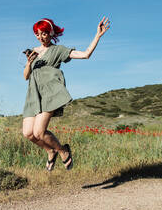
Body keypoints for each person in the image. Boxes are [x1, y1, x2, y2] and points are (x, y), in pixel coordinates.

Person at [22, 17, 110, 171]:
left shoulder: (58, 50)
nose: (41, 37)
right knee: (28, 133)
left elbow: (85, 54)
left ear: (51, 33)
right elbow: (25, 76)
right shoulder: (34, 52)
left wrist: (98, 35)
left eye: (44, 33)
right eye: (38, 34)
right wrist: (29, 63)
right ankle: (50, 151)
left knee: (39, 132)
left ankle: (62, 150)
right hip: (33, 95)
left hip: (50, 94)